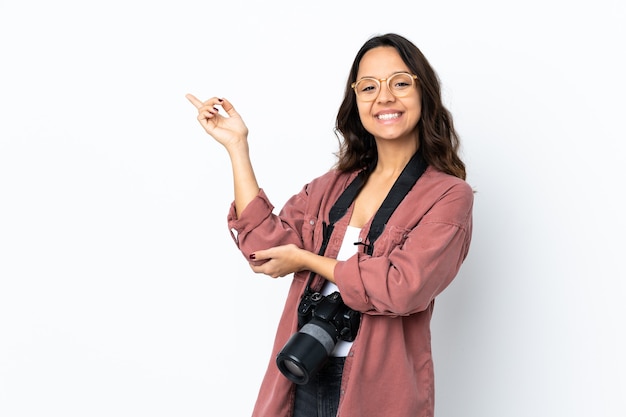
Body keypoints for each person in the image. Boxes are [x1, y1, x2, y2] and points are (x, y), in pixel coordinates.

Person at [187, 33, 473, 417]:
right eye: (369, 86)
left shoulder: (448, 195)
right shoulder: (333, 186)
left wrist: (305, 259)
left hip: (377, 391)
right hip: (302, 373)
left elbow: (403, 288)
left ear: (424, 93)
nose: (384, 97)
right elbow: (262, 249)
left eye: (400, 83)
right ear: (356, 101)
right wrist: (238, 148)